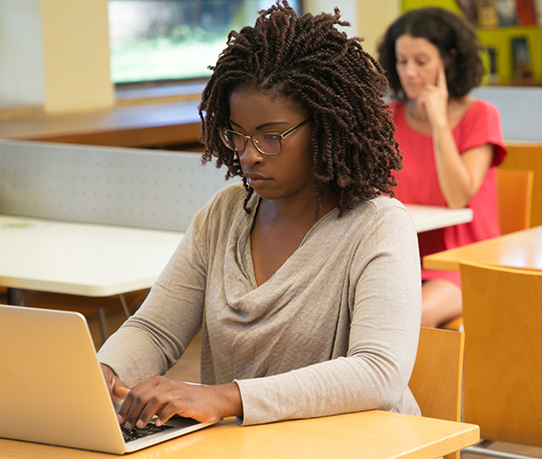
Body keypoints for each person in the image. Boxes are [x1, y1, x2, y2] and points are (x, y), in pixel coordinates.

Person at [97, 1, 422, 430]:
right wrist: (103, 373)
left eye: (271, 137)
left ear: (325, 127)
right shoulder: (224, 214)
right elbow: (156, 329)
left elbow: (378, 373)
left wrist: (226, 397)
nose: (249, 155)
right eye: (238, 135)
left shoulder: (379, 225)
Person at [377, 7, 507, 328]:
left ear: (448, 60)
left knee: (411, 319)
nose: (409, 73)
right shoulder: (387, 117)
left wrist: (438, 120)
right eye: (402, 61)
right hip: (401, 258)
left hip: (465, 261)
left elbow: (457, 196)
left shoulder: (480, 115)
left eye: (421, 62)